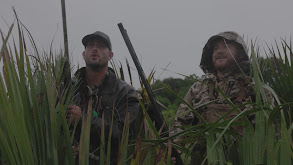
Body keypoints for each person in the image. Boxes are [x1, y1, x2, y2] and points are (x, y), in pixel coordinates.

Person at [172, 31, 258, 164]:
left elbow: (272, 132)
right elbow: (180, 122)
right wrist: (175, 148)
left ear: (241, 54)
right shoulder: (198, 89)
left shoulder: (255, 89)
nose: (219, 51)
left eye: (226, 46)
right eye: (216, 48)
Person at [66, 31, 140, 165]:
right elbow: (53, 126)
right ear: (84, 54)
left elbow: (122, 134)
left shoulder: (126, 93)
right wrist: (64, 147)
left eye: (100, 46)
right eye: (90, 45)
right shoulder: (67, 89)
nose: (94, 49)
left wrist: (83, 120)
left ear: (110, 55)